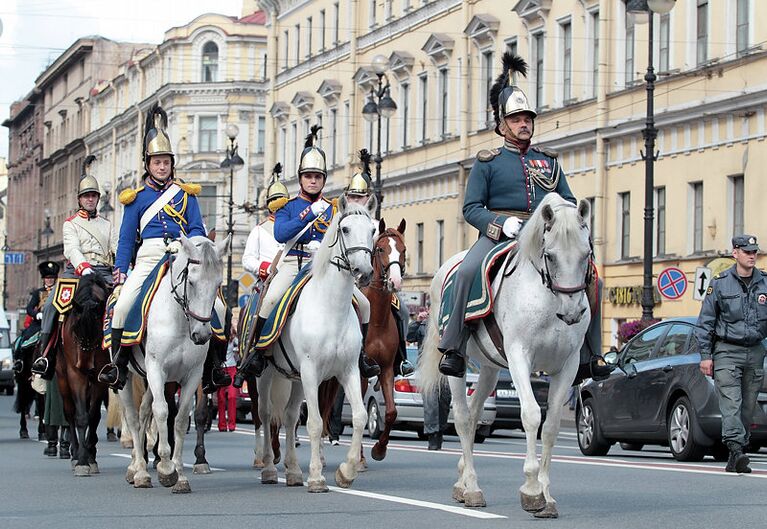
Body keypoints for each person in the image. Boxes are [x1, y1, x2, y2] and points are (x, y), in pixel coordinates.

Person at [437, 53, 611, 384]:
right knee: (466, 271)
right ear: (502, 125)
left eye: (527, 118)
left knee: (593, 279)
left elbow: (570, 201)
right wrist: (502, 224)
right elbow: (471, 208)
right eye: (517, 119)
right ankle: (453, 347)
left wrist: (558, 219)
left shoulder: (548, 161)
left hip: (543, 235)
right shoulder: (488, 163)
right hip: (499, 235)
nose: (524, 124)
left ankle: (592, 354)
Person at [234, 125, 380, 385]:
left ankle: (361, 356)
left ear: (324, 179)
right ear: (301, 179)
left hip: (324, 266)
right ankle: (258, 353)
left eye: (318, 177)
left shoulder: (335, 208)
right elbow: (281, 234)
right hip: (294, 263)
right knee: (270, 302)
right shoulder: (289, 207)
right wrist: (309, 213)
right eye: (308, 176)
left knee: (365, 304)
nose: (313, 181)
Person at [98, 104, 229, 391]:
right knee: (122, 306)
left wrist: (194, 248)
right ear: (148, 164)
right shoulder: (136, 199)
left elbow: (197, 229)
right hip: (148, 257)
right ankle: (118, 365)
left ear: (171, 164)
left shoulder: (186, 195)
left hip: (182, 256)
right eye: (156, 162)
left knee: (217, 305)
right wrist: (121, 272)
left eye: (166, 162)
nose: (161, 166)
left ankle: (214, 366)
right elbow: (125, 239)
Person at [32, 156, 117, 379]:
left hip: (104, 273)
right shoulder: (70, 224)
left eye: (93, 196)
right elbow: (71, 249)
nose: (90, 199)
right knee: (51, 305)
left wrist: (122, 268)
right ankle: (45, 354)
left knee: (126, 304)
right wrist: (84, 267)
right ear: (80, 199)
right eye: (86, 196)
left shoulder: (108, 225)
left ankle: (122, 358)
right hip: (77, 273)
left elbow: (117, 248)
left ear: (98, 199)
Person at [695, 235, 767, 474]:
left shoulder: (765, 283)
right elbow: (705, 322)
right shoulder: (720, 283)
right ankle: (736, 449)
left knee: (748, 406)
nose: (752, 255)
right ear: (735, 253)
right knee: (731, 402)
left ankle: (736, 453)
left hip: (755, 351)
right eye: (747, 251)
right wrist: (706, 356)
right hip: (726, 350)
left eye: (754, 251)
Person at [343, 150, 414, 377]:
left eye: (360, 196)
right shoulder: (343, 222)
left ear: (368, 199)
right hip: (348, 283)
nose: (356, 200)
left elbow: (387, 254)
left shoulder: (376, 226)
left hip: (373, 286)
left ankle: (400, 360)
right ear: (347, 198)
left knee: (402, 310)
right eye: (352, 196)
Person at [242, 163, 289, 288]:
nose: (278, 205)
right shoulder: (259, 230)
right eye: (274, 201)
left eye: (282, 201)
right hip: (267, 281)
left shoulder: (295, 225)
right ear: (269, 205)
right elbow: (247, 260)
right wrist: (266, 268)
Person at [13, 262, 59, 373]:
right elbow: (29, 308)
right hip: (39, 324)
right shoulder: (38, 293)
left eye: (52, 278)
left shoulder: (58, 291)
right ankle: (20, 361)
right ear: (43, 279)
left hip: (56, 322)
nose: (49, 280)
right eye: (47, 278)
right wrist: (36, 314)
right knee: (24, 338)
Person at [217, 323, 239, 432]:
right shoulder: (219, 338)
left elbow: (241, 347)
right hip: (221, 369)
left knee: (232, 396)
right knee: (221, 398)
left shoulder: (233, 339)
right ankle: (221, 425)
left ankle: (231, 424)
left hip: (232, 369)